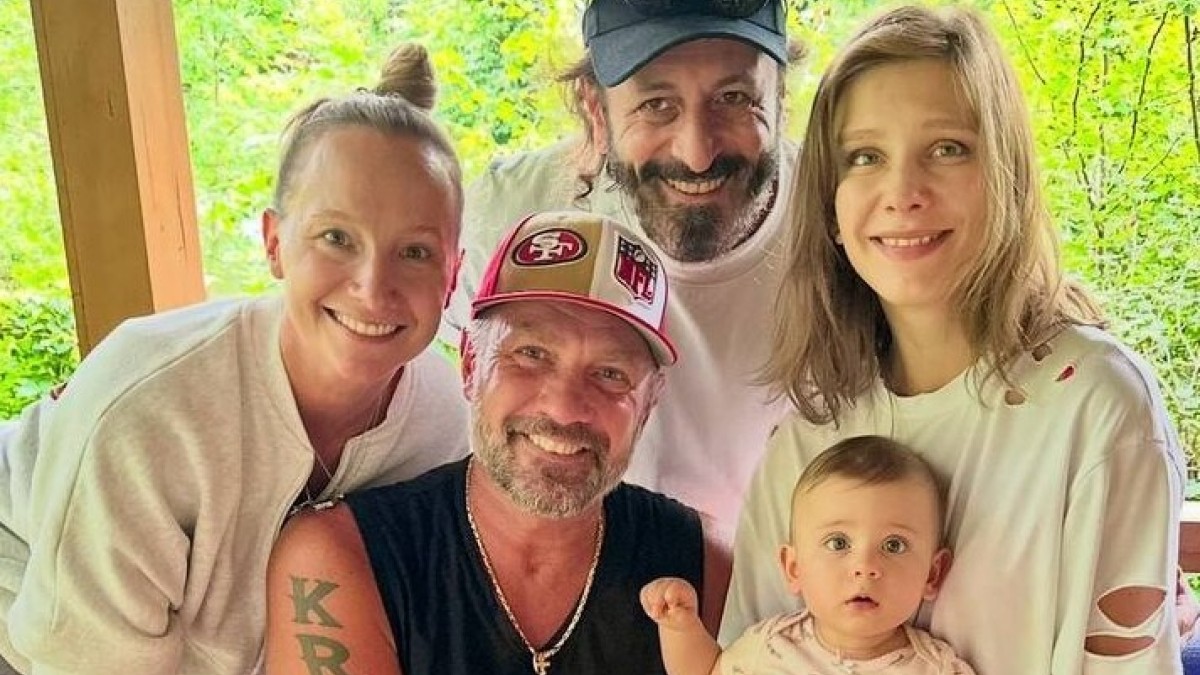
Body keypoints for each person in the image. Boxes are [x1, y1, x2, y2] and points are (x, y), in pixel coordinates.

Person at [721, 5, 1185, 674]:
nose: (902, 192)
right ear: (831, 207)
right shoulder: (811, 436)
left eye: (947, 149)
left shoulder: (1094, 408)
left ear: (1007, 177)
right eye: (865, 157)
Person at [0, 44, 469, 674]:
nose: (371, 287)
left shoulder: (446, 424)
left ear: (453, 273)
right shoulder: (150, 410)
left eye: (414, 252)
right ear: (274, 244)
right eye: (336, 238)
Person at [265, 211, 730, 675]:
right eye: (531, 354)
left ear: (648, 403)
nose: (564, 408)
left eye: (611, 374)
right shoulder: (345, 557)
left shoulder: (705, 565)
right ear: (471, 363)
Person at [446, 0, 803, 539]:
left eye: (734, 98)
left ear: (780, 100)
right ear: (596, 112)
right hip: (548, 565)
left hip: (763, 575)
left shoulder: (847, 227)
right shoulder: (511, 212)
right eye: (656, 104)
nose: (697, 154)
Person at [643, 436, 976, 674]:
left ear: (932, 574)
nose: (865, 567)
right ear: (794, 568)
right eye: (838, 543)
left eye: (894, 545)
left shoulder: (938, 668)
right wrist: (680, 627)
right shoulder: (771, 647)